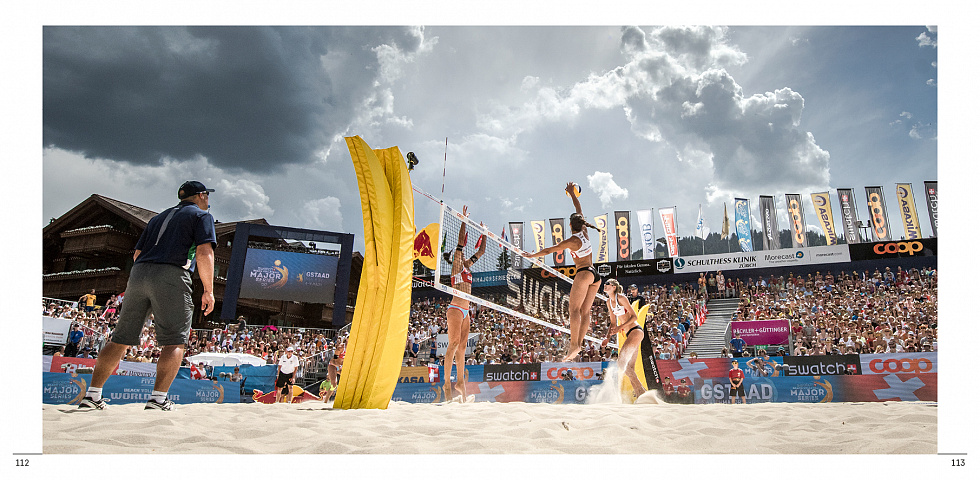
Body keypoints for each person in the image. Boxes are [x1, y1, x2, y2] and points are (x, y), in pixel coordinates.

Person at [78, 181, 216, 411]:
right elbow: (204, 252)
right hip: (171, 272)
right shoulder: (202, 216)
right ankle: (158, 399)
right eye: (207, 196)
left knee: (120, 338)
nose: (208, 200)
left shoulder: (158, 217)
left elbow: (138, 253)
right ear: (201, 196)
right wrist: (208, 291)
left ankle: (92, 396)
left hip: (139, 272)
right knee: (174, 340)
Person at [524, 182, 602, 361]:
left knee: (574, 309)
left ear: (569, 224)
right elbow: (578, 207)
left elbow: (548, 251)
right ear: (581, 222)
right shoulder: (584, 230)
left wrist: (532, 255)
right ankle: (578, 344)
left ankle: (575, 344)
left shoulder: (572, 240)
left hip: (583, 273)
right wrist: (572, 194)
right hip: (595, 275)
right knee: (585, 311)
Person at [442, 206, 486, 402]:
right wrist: (464, 220)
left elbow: (482, 251)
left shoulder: (467, 266)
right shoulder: (456, 267)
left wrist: (484, 233)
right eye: (458, 255)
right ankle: (446, 384)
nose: (461, 256)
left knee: (462, 349)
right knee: (452, 344)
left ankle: (460, 383)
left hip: (466, 310)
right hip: (455, 308)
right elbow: (460, 242)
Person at [600, 279, 646, 398]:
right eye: (604, 284)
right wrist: (607, 338)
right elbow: (612, 323)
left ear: (614, 287)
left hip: (635, 330)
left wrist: (621, 326)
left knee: (621, 364)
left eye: (607, 284)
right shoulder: (608, 302)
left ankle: (642, 392)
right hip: (630, 333)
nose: (604, 286)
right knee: (629, 368)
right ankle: (642, 395)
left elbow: (634, 316)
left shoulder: (621, 298)